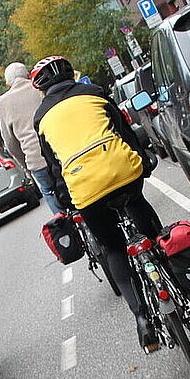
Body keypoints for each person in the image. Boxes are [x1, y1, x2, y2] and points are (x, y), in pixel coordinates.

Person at [29, 55, 163, 350]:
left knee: (114, 248)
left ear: (41, 88)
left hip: (85, 187)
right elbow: (125, 132)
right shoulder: (95, 93)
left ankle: (142, 318)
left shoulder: (41, 117)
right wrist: (144, 159)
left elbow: (53, 165)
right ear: (70, 75)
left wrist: (64, 200)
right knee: (140, 210)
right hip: (122, 170)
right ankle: (167, 270)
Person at [0, 62, 62, 214]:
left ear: (8, 83)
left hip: (35, 160)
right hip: (59, 150)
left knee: (49, 191)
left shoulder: (3, 103)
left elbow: (10, 143)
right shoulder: (40, 87)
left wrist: (25, 164)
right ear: (27, 75)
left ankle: (63, 228)